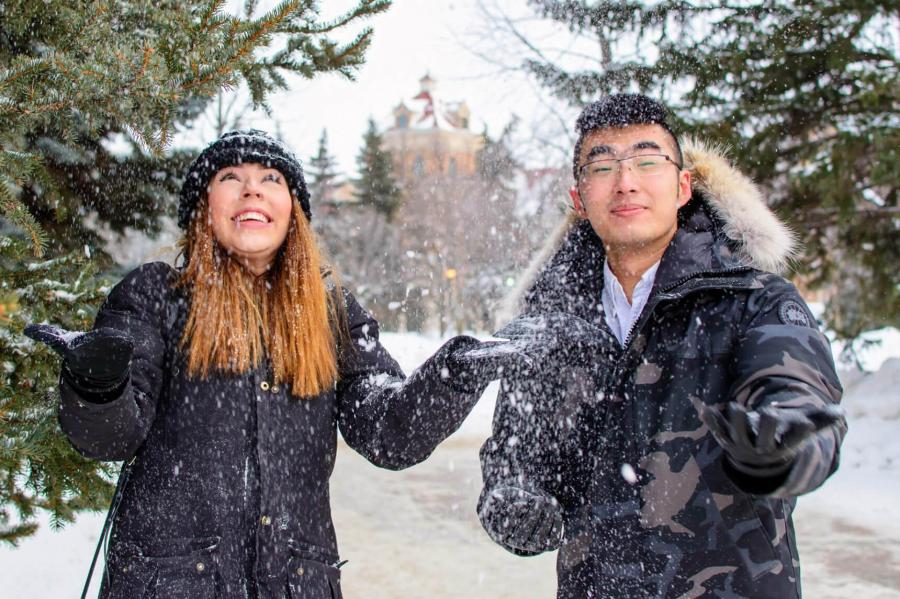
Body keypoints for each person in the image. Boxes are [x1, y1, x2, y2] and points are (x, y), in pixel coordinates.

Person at [26, 130, 507, 599]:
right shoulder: (155, 296)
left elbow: (388, 432)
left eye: (271, 179)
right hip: (168, 583)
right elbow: (110, 436)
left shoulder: (330, 311)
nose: (252, 187)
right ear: (203, 207)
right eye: (231, 176)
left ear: (293, 212)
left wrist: (453, 378)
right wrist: (98, 384)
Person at [477, 95, 847, 598]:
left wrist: (778, 449)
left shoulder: (752, 302)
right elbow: (515, 451)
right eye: (603, 166)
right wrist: (511, 496)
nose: (626, 181)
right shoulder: (549, 327)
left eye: (647, 162)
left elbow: (799, 398)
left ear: (683, 186)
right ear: (579, 199)